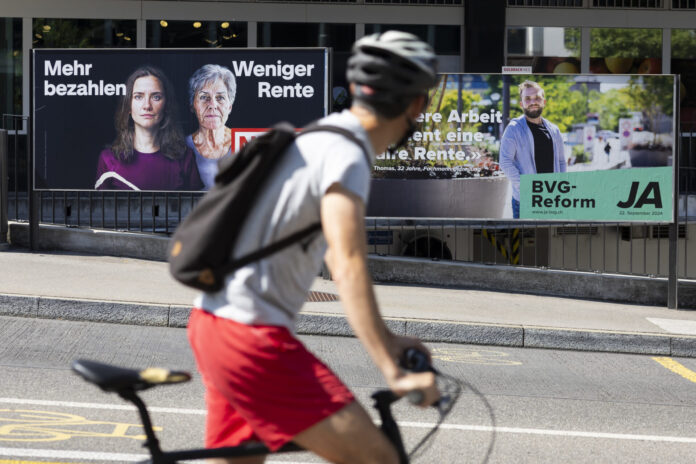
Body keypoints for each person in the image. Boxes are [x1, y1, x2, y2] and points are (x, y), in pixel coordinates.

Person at [186, 31, 440, 464]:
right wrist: (390, 364)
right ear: (416, 105)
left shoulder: (321, 135)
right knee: (377, 459)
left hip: (213, 322)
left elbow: (323, 246)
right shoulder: (347, 154)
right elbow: (347, 260)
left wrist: (390, 338)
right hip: (252, 338)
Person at [95, 66, 203, 191]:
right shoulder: (108, 158)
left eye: (156, 97)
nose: (147, 106)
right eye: (138, 97)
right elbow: (100, 209)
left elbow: (196, 208)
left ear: (166, 105)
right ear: (128, 106)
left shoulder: (185, 157)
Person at [499, 80, 567, 218]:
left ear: (544, 101)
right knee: (527, 239)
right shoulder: (514, 129)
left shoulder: (554, 130)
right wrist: (526, 188)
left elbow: (561, 162)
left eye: (537, 98)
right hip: (526, 202)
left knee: (551, 239)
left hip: (552, 201)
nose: (533, 101)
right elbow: (505, 161)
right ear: (521, 104)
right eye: (527, 98)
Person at [187, 64, 237, 190]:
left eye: (220, 98)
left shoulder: (243, 143)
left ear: (229, 106)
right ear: (193, 105)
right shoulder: (182, 147)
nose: (212, 105)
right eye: (204, 97)